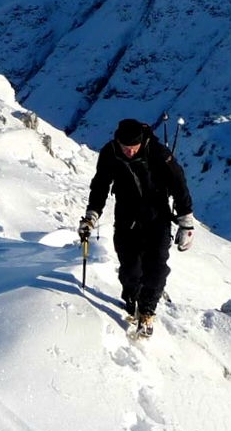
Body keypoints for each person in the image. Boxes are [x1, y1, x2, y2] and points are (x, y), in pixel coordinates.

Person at [78, 118, 196, 336]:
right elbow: (101, 185)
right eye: (125, 148)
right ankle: (131, 297)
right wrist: (91, 216)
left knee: (157, 268)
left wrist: (186, 221)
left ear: (141, 142)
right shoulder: (110, 153)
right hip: (126, 219)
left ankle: (147, 311)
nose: (130, 153)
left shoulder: (158, 153)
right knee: (130, 270)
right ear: (118, 142)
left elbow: (179, 184)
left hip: (157, 218)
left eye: (133, 148)